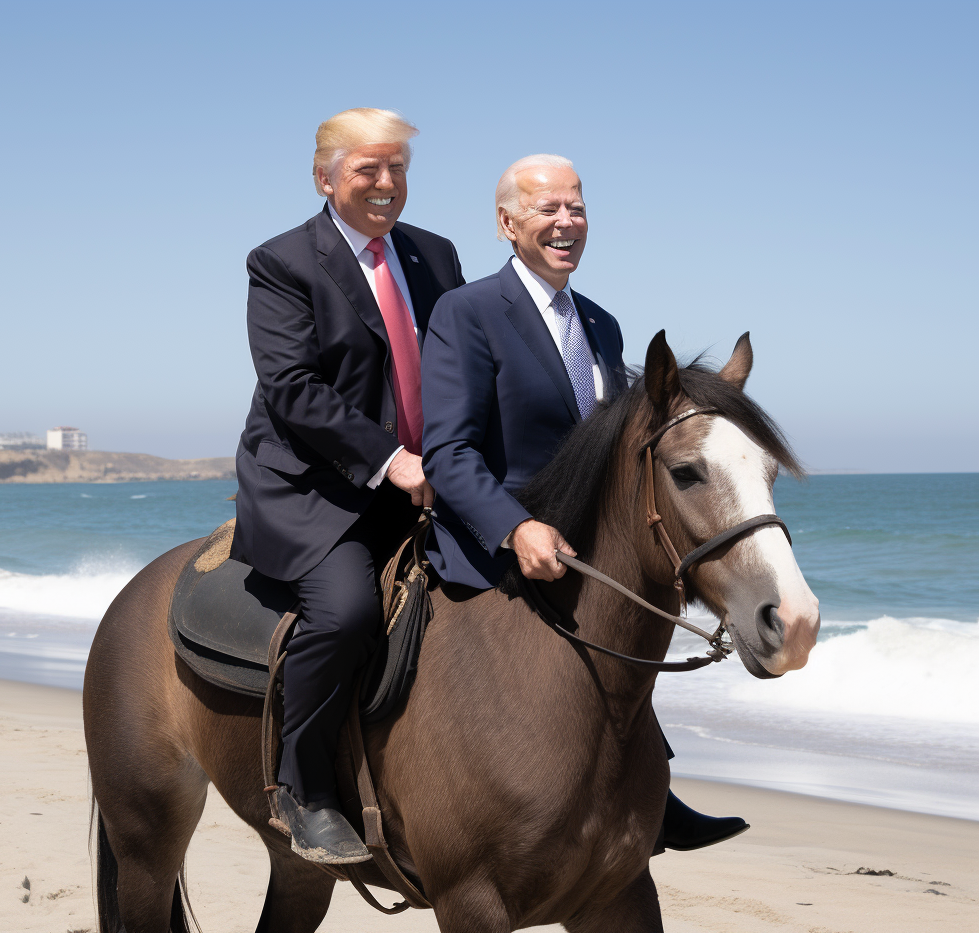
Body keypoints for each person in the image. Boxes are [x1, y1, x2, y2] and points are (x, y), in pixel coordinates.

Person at [420, 154, 747, 851]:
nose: (566, 222)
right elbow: (449, 452)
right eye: (547, 209)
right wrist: (514, 529)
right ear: (508, 223)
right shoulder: (467, 312)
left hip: (582, 546)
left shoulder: (601, 323)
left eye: (577, 207)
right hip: (495, 539)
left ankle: (648, 783)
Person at [231, 108, 465, 864]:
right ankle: (301, 788)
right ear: (324, 175)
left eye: (397, 169)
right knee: (345, 613)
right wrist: (392, 459)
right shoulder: (281, 262)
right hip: (313, 485)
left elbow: (464, 365)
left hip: (427, 478)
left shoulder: (435, 255)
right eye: (368, 169)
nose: (386, 184)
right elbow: (293, 389)